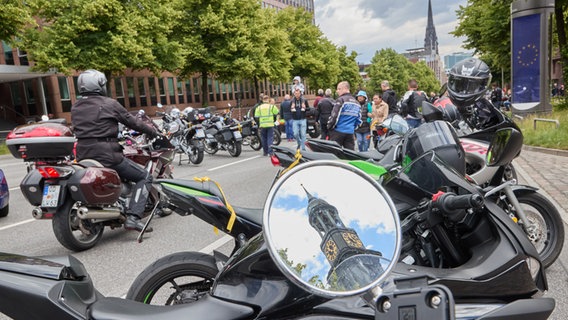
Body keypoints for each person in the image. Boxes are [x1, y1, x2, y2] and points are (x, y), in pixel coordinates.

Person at [71, 69, 159, 232]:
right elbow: (132, 122)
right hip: (107, 154)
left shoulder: (76, 107)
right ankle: (133, 217)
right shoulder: (109, 103)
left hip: (83, 154)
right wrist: (152, 131)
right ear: (99, 85)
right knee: (144, 177)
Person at [446, 57, 499, 130]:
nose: (463, 91)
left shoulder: (485, 110)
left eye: (471, 86)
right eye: (460, 85)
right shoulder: (444, 104)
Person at [327, 81, 361, 150]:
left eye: (339, 89)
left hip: (338, 131)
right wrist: (352, 128)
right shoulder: (357, 103)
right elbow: (358, 120)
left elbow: (334, 116)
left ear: (345, 88)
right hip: (350, 133)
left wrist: (329, 127)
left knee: (334, 153)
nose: (337, 91)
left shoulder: (341, 100)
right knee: (349, 154)